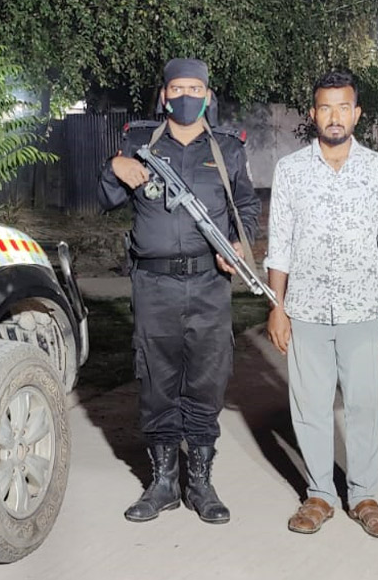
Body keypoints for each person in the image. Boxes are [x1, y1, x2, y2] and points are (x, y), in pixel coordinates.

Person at [99, 58, 260, 524]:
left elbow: (246, 204)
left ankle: (201, 482)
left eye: (195, 88)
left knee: (207, 380)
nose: (186, 96)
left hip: (210, 284)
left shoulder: (227, 148)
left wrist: (240, 242)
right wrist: (114, 165)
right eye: (178, 88)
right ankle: (164, 483)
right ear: (164, 95)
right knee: (157, 381)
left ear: (208, 96)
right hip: (154, 285)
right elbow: (106, 197)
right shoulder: (139, 142)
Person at [260, 70, 378, 538]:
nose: (335, 116)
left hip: (363, 309)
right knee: (310, 407)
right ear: (313, 114)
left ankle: (363, 495)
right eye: (326, 108)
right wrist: (277, 306)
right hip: (305, 310)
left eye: (344, 107)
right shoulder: (291, 170)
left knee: (364, 405)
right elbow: (279, 245)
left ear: (357, 114)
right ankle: (320, 494)